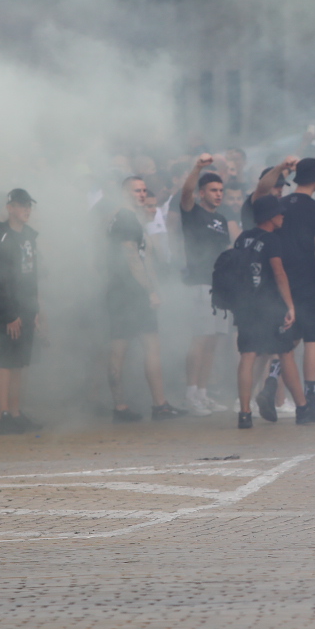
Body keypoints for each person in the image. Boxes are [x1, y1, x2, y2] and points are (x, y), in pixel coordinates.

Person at [259, 156, 315, 424]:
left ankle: (272, 379)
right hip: (310, 283)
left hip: (283, 282)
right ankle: (310, 397)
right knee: (313, 340)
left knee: (289, 340)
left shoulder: (281, 205)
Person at [105, 175, 186, 423]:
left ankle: (136, 405)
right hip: (127, 293)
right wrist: (149, 290)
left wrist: (155, 287)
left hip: (127, 292)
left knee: (130, 348)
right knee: (132, 348)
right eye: (135, 190)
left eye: (143, 190)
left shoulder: (130, 218)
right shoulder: (125, 218)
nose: (141, 194)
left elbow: (145, 257)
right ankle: (146, 405)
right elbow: (131, 258)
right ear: (123, 192)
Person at [232, 195, 297, 429]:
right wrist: (290, 305)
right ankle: (295, 402)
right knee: (280, 351)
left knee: (248, 355)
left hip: (244, 304)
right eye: (279, 212)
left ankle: (244, 412)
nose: (282, 215)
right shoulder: (271, 239)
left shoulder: (243, 238)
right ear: (269, 216)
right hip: (267, 306)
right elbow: (279, 273)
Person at [177, 162, 236, 415]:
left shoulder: (221, 219)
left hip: (219, 287)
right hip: (200, 285)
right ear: (202, 193)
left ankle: (202, 393)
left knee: (213, 341)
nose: (218, 194)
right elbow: (185, 193)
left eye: (221, 189)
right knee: (199, 339)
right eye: (213, 190)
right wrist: (198, 168)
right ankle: (190, 394)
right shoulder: (192, 212)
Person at [0, 188, 43, 434]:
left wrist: (35, 309)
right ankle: (2, 415)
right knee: (5, 360)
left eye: (29, 205)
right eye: (21, 205)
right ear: (9, 208)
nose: (26, 210)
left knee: (20, 362)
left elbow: (32, 275)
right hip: (6, 308)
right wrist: (9, 313)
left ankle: (16, 413)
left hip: (26, 307)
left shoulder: (29, 235)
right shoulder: (1, 236)